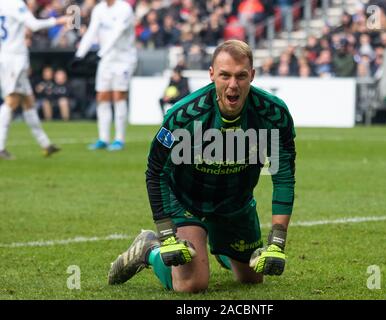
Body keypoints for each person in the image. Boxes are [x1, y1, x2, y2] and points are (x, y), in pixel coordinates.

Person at [108, 40, 296, 293]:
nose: (233, 85)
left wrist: (277, 242)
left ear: (252, 75)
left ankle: (222, 245)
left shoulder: (274, 114)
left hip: (235, 204)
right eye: (225, 75)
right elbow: (155, 172)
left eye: (241, 76)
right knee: (192, 285)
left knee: (252, 278)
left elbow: (283, 176)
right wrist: (166, 234)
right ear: (211, 75)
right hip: (188, 203)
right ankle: (150, 249)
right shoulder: (183, 116)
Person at [0, 0, 68, 160]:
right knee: (11, 100)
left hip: (9, 55)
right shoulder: (15, 4)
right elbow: (34, 25)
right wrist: (59, 20)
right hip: (14, 58)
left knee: (28, 101)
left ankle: (46, 144)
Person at [73, 0, 137, 151]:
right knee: (102, 96)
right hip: (106, 59)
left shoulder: (124, 8)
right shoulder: (99, 9)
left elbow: (117, 33)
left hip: (123, 59)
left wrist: (100, 53)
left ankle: (119, 139)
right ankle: (103, 138)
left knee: (118, 96)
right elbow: (92, 31)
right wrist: (79, 55)